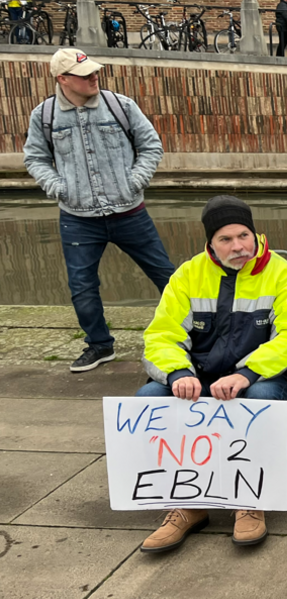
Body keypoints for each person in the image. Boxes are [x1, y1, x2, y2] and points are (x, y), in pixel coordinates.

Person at [137, 196, 287, 553]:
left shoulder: (281, 273)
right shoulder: (187, 274)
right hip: (198, 376)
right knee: (147, 400)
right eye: (226, 239)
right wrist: (177, 374)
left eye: (244, 235)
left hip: (260, 378)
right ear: (210, 244)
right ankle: (188, 503)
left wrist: (247, 374)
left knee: (260, 400)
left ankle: (249, 499)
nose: (239, 246)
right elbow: (160, 336)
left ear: (254, 233)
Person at [23, 48, 175, 373]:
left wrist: (134, 181)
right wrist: (58, 187)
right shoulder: (45, 115)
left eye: (94, 71)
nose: (94, 77)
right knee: (82, 286)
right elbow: (35, 158)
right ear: (62, 79)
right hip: (77, 219)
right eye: (85, 75)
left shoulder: (121, 105)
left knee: (168, 277)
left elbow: (151, 145)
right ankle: (100, 345)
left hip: (129, 212)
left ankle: (193, 333)